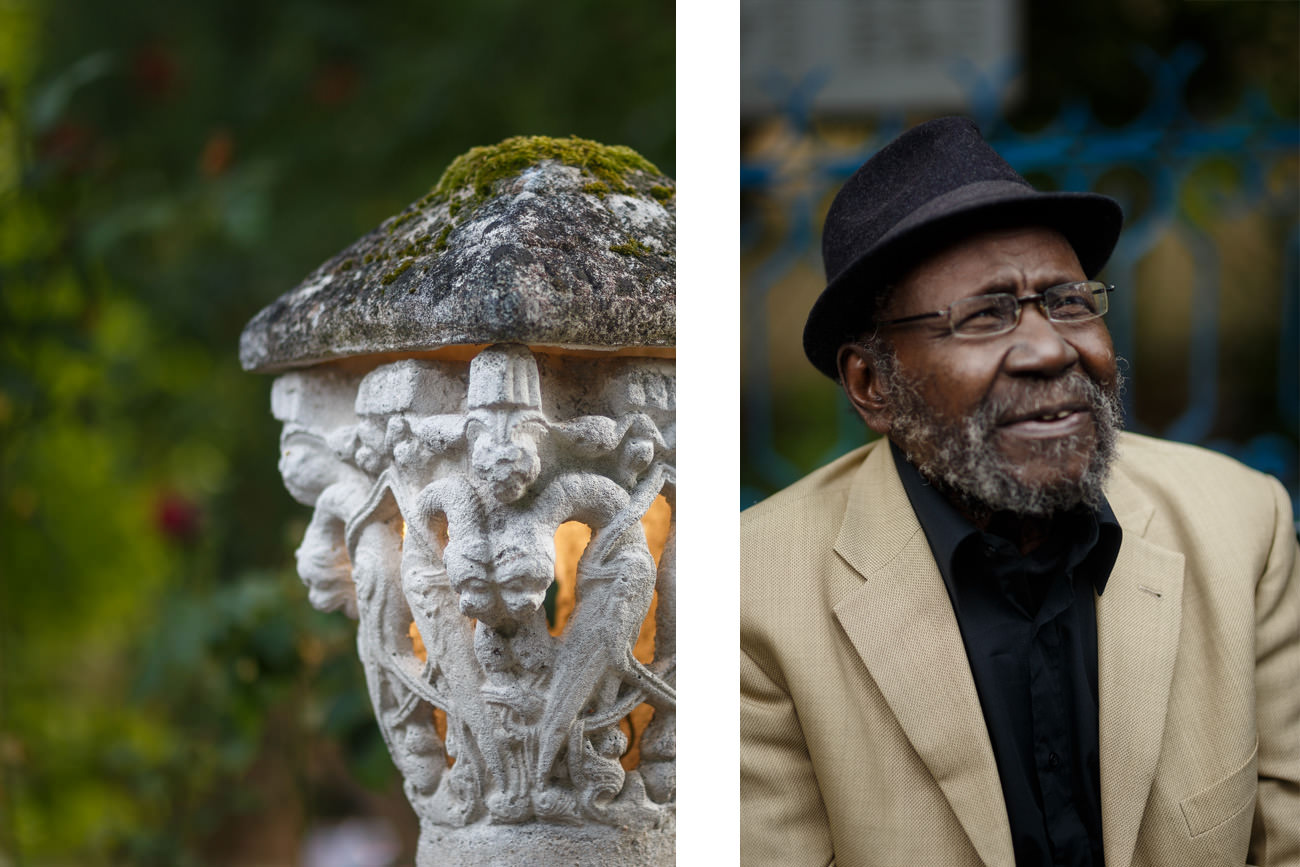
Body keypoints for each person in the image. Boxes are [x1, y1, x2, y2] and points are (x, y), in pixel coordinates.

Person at [739, 117, 1299, 867]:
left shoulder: (1240, 522)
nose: (1049, 347)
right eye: (985, 314)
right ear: (873, 385)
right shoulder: (749, 598)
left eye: (1069, 302)